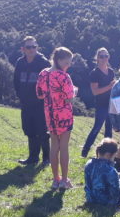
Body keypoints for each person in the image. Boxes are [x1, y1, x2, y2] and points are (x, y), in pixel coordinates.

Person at [37, 47, 76, 190]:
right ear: (59, 60)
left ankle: (55, 180)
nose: (69, 65)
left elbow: (39, 94)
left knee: (54, 146)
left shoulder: (43, 74)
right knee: (64, 147)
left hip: (49, 114)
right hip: (64, 115)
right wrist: (74, 91)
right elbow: (69, 99)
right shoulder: (64, 77)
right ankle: (64, 180)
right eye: (67, 62)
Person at [13, 36, 50, 166]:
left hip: (40, 104)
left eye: (34, 46)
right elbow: (16, 80)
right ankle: (33, 158)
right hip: (26, 103)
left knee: (42, 131)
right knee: (29, 130)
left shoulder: (44, 63)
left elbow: (50, 82)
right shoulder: (20, 62)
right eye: (29, 47)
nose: (32, 49)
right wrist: (20, 95)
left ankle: (47, 159)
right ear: (23, 49)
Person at [80, 47, 116, 158]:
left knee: (109, 130)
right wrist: (109, 86)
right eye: (102, 56)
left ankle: (107, 154)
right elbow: (95, 92)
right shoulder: (94, 73)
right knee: (96, 128)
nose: (104, 58)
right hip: (101, 105)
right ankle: (85, 151)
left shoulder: (111, 72)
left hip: (111, 104)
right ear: (97, 58)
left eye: (106, 56)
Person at [84, 137, 120, 206]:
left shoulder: (88, 163)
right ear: (108, 155)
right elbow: (116, 193)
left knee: (119, 176)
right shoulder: (111, 170)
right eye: (114, 156)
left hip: (90, 198)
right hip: (107, 202)